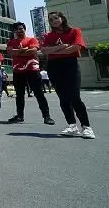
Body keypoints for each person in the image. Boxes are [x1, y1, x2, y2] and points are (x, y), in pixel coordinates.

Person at [40, 11, 95, 139]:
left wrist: (54, 50)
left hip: (70, 65)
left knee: (74, 96)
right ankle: (72, 125)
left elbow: (76, 47)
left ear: (62, 18)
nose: (54, 21)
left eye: (56, 18)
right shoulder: (47, 36)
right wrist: (62, 48)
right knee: (63, 98)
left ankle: (86, 127)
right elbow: (43, 50)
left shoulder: (74, 31)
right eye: (51, 19)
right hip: (54, 66)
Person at [6, 22, 55, 125]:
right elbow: (10, 52)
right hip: (18, 71)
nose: (19, 31)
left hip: (32, 70)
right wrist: (24, 50)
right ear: (14, 31)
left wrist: (19, 51)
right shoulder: (11, 42)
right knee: (19, 95)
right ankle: (20, 116)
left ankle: (47, 117)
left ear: (24, 29)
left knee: (39, 94)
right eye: (17, 29)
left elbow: (33, 51)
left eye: (21, 29)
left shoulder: (32, 39)